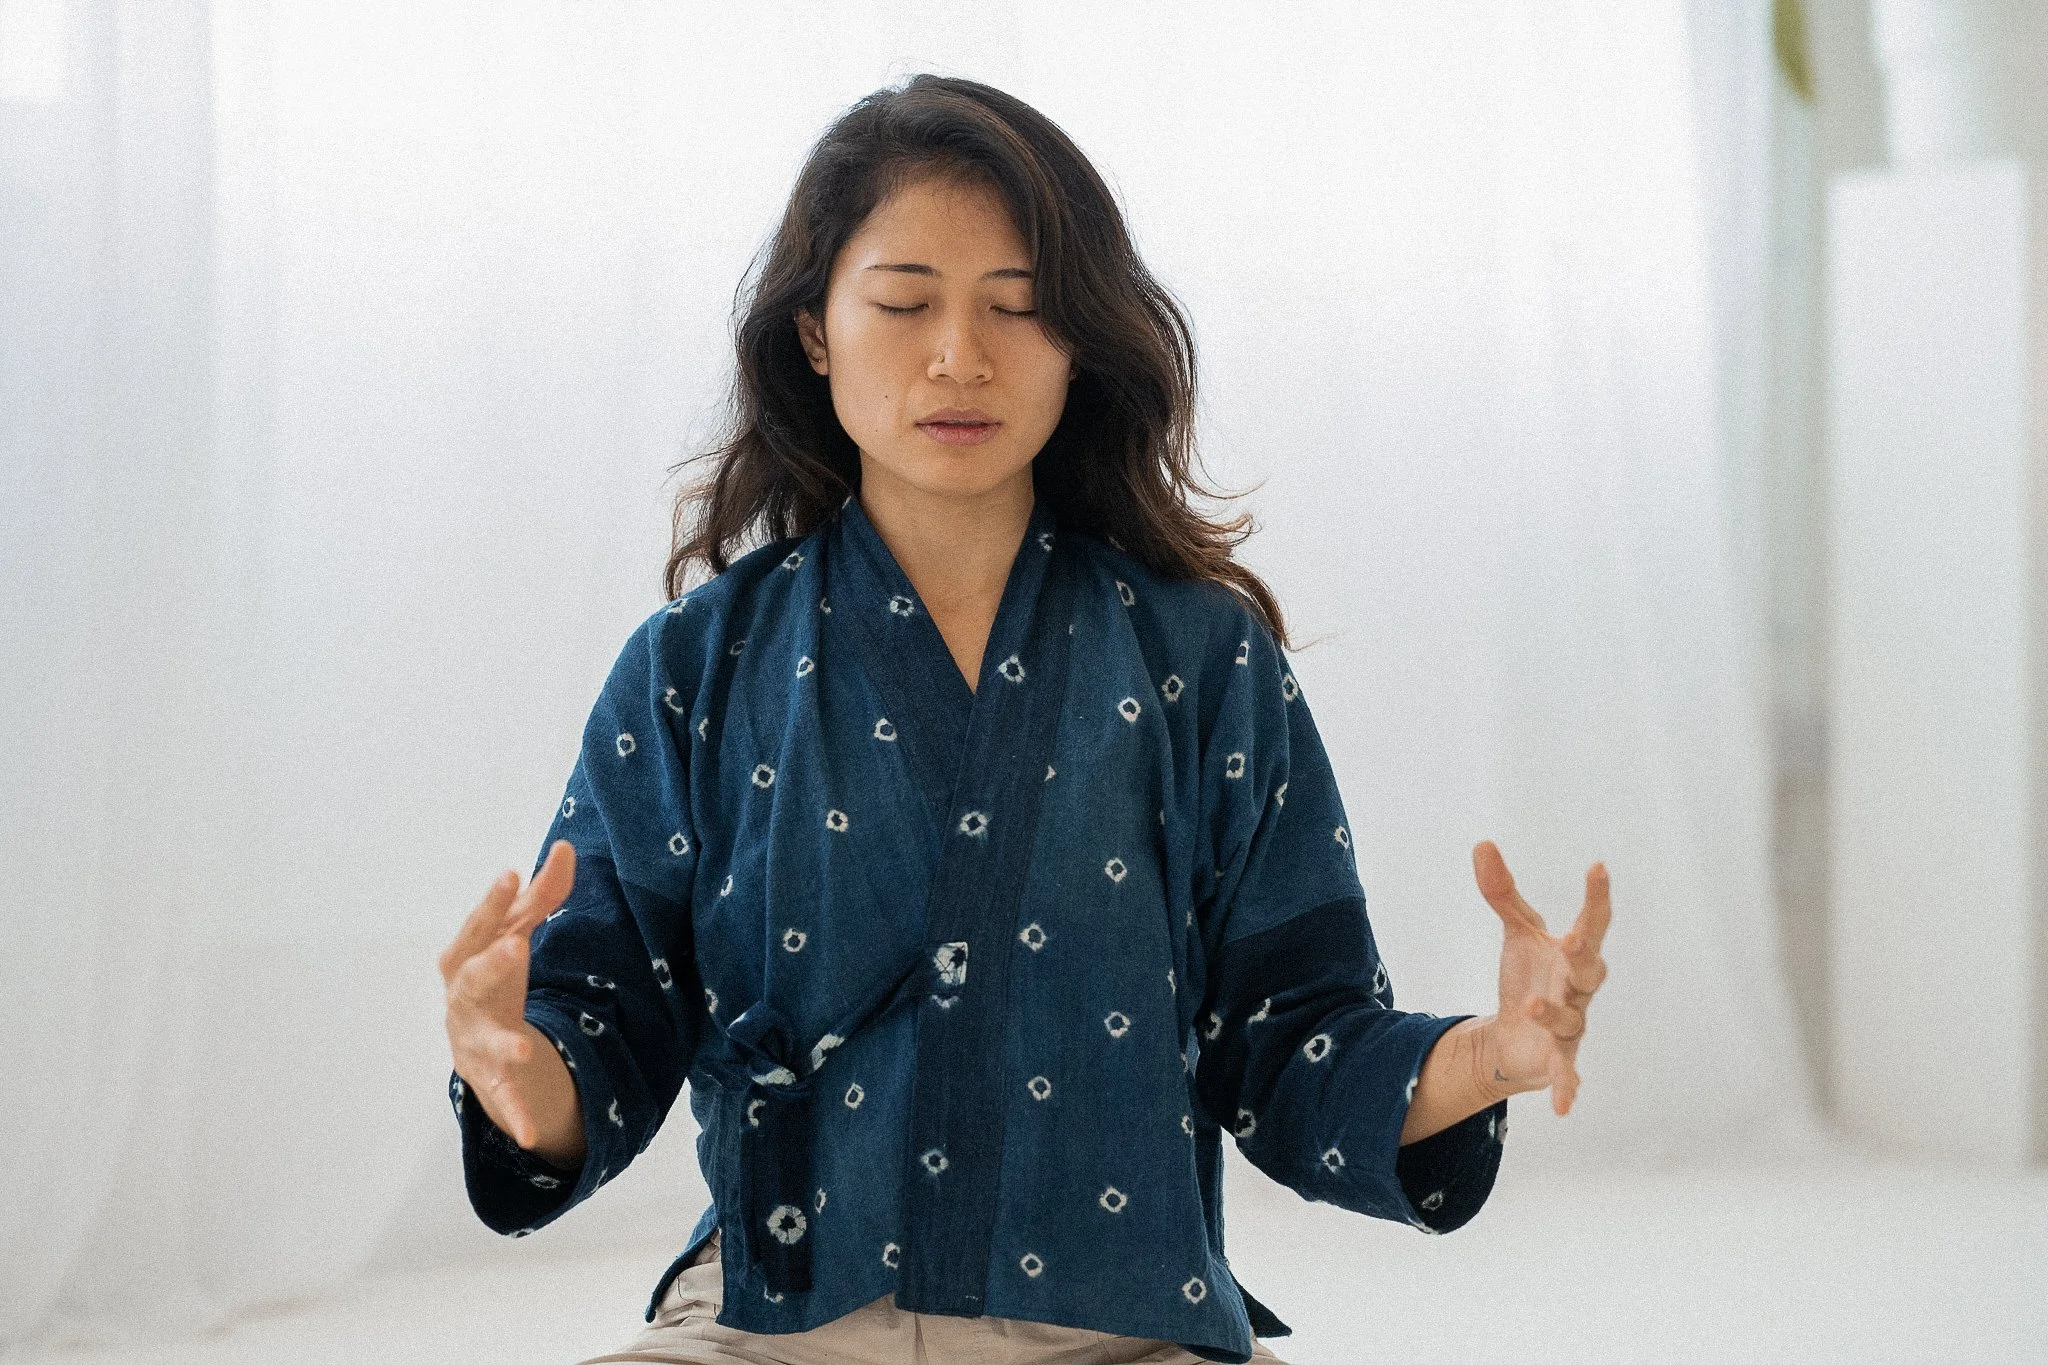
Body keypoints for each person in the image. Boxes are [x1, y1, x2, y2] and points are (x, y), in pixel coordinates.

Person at [437, 73, 1612, 1365]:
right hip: (777, 1327)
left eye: (1018, 308)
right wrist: (511, 1066)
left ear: (1080, 344)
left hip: (1117, 1330)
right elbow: (597, 1037)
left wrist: (1492, 1054)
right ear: (816, 330)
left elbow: (1299, 1045)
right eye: (904, 304)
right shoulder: (690, 669)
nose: (960, 355)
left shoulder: (1203, 660)